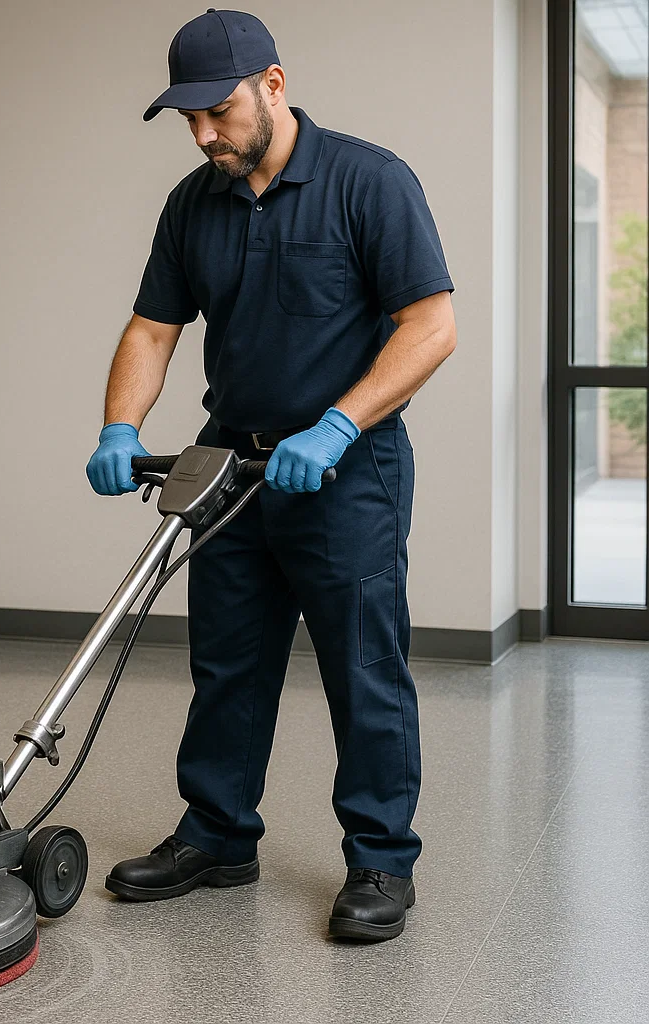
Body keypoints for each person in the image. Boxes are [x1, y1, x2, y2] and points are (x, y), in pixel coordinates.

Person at [85, 8, 456, 943]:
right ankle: (217, 835)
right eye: (189, 120)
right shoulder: (191, 204)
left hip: (347, 466)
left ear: (273, 86)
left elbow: (431, 326)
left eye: (217, 113)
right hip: (233, 463)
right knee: (228, 661)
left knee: (363, 667)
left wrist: (336, 425)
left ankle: (380, 858)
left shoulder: (369, 183)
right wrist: (120, 425)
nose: (205, 135)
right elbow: (153, 327)